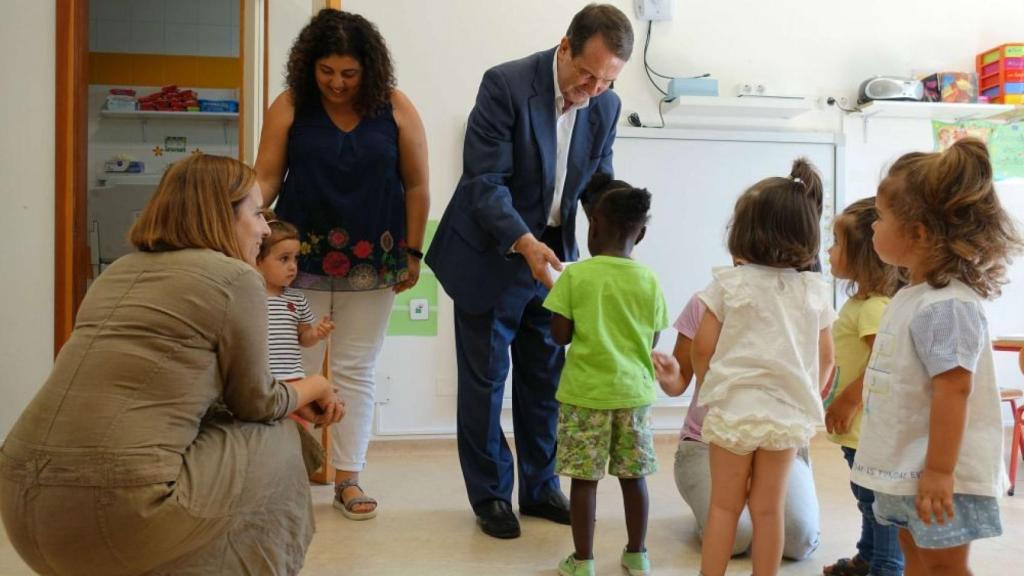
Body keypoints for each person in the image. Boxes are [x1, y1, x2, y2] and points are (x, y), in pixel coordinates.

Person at [0, 154, 344, 576]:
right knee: (278, 434)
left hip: (21, 505)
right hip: (112, 514)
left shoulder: (120, 270)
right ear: (223, 216)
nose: (264, 229)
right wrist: (316, 385)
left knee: (220, 424)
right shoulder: (237, 278)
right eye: (256, 213)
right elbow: (257, 402)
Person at [425, 3, 634, 539]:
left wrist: (623, 232)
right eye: (587, 74)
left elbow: (596, 183)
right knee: (486, 382)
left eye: (606, 81)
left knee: (546, 380)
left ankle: (540, 487)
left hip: (556, 263)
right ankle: (492, 495)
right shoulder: (506, 85)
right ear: (564, 45)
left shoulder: (604, 107)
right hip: (491, 254)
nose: (592, 90)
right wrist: (523, 241)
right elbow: (483, 182)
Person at [254, 8, 430, 520]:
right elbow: (267, 178)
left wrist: (413, 253)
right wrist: (243, 212)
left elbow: (417, 185)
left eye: (348, 73)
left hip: (373, 262)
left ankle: (348, 478)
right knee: (293, 367)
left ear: (368, 69)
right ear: (310, 65)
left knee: (356, 369)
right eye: (326, 71)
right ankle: (288, 476)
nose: (336, 83)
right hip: (294, 261)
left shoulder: (395, 107)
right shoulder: (290, 105)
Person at [653, 159, 835, 576]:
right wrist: (807, 396)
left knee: (725, 506)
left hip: (733, 411)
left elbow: (704, 347)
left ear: (745, 232)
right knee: (769, 510)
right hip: (785, 417)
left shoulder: (729, 284)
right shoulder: (813, 290)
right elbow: (826, 360)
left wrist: (715, 386)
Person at [853, 138, 1021, 576]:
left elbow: (954, 388)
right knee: (916, 556)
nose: (873, 226)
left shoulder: (946, 305)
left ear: (919, 234)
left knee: (944, 566)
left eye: (881, 217)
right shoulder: (914, 295)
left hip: (939, 473)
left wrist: (940, 471)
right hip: (908, 466)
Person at [542, 175, 666, 576]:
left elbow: (559, 336)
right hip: (634, 396)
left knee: (584, 480)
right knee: (634, 477)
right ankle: (637, 553)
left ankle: (583, 560)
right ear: (641, 234)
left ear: (592, 225)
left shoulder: (577, 276)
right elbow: (653, 335)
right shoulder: (648, 279)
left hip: (585, 396)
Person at [657, 291, 823, 562]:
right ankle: (730, 504)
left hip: (774, 442)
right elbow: (682, 379)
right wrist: (670, 376)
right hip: (708, 442)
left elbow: (821, 368)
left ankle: (752, 499)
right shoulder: (707, 301)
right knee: (735, 534)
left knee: (798, 541)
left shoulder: (800, 299)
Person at [822, 198, 902, 576]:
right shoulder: (862, 303)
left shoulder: (875, 307)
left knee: (876, 503)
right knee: (864, 496)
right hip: (859, 432)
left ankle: (885, 565)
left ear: (863, 255)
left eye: (836, 243)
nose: (829, 250)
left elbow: (881, 361)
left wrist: (848, 401)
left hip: (868, 427)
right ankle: (868, 556)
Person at [255, 214, 335, 382]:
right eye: (284, 259)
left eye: (295, 259)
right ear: (258, 260)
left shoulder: (297, 299)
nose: (293, 266)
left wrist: (315, 334)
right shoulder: (248, 298)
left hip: (293, 379)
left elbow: (303, 338)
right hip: (259, 380)